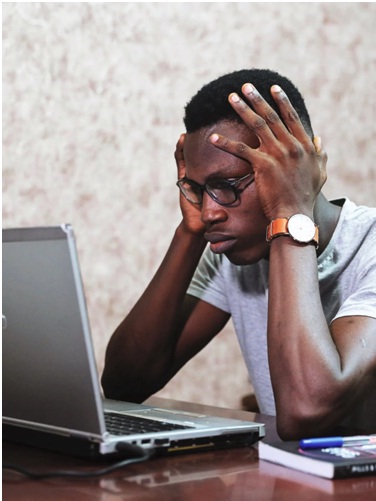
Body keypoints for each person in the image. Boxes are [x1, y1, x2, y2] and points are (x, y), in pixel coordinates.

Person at [101, 69, 376, 439]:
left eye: (226, 186)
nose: (211, 211)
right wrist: (190, 232)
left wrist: (289, 214)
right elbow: (124, 385)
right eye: (198, 189)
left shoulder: (368, 245)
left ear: (295, 165)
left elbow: (305, 410)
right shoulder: (232, 252)